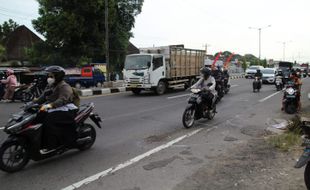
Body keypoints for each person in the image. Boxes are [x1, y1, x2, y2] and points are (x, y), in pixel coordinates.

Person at [33, 66, 79, 153]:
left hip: (67, 109)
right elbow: (42, 98)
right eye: (49, 76)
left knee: (49, 121)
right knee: (37, 118)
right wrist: (32, 103)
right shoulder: (50, 85)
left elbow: (62, 100)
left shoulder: (64, 86)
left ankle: (52, 145)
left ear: (58, 76)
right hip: (54, 108)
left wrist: (49, 105)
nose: (49, 78)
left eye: (51, 76)